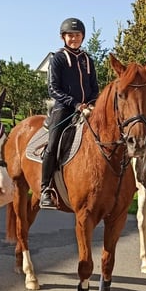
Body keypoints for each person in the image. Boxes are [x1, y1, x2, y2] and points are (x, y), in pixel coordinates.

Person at [39, 17, 99, 209]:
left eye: (77, 35)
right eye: (70, 35)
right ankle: (45, 188)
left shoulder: (88, 59)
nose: (74, 39)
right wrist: (75, 104)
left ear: (83, 37)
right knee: (54, 143)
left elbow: (94, 88)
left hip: (88, 108)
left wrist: (91, 104)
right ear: (63, 37)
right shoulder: (57, 59)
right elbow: (53, 89)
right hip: (64, 109)